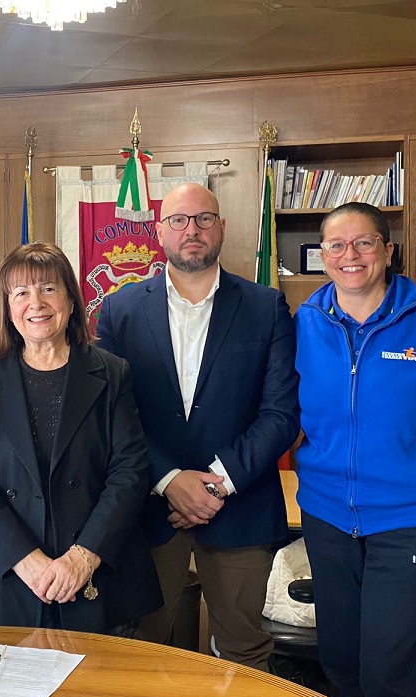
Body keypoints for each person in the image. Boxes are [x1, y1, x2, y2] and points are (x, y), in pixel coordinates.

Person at [96, 182, 299, 669]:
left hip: (241, 507)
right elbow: (110, 414)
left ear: (221, 227)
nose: (192, 230)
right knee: (139, 654)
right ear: (159, 231)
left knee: (246, 655)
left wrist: (215, 484)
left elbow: (281, 413)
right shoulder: (120, 310)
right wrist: (169, 480)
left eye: (204, 219)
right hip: (148, 509)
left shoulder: (265, 306)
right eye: (179, 220)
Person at [294, 202, 416, 697]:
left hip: (412, 519)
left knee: (398, 679)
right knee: (341, 664)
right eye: (337, 245)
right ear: (323, 255)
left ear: (388, 251)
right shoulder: (305, 321)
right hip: (326, 515)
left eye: (364, 242)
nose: (351, 255)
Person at [0, 241, 161, 633]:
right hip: (5, 578)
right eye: (21, 293)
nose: (36, 303)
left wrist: (82, 559)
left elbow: (129, 473)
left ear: (70, 300)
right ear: (7, 307)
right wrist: (27, 561)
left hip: (96, 577)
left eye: (48, 288)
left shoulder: (113, 374)